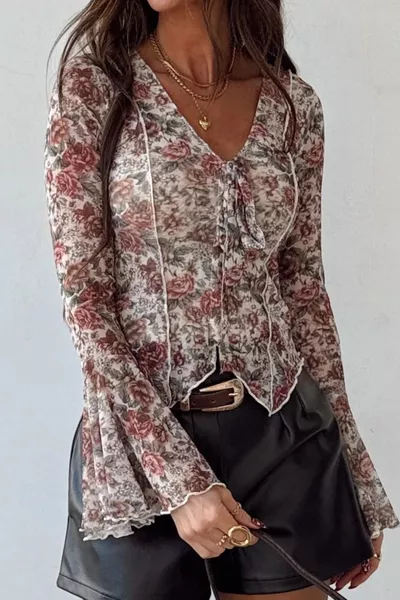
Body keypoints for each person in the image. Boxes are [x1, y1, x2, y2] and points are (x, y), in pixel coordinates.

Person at [44, 1, 398, 599]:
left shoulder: (292, 105)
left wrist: (359, 478)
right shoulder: (94, 89)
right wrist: (178, 478)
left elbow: (303, 291)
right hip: (137, 450)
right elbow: (86, 300)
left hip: (285, 437)